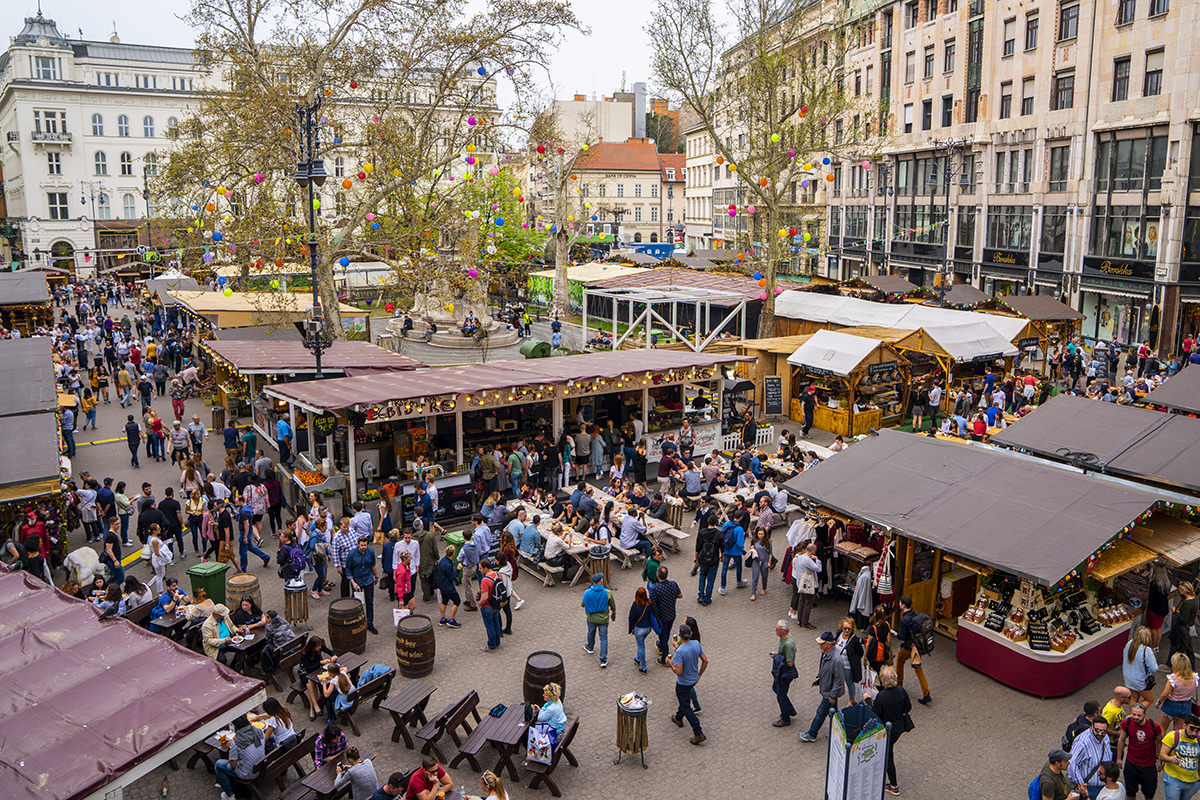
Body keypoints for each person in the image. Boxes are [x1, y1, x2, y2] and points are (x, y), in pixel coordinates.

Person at [871, 665, 912, 796]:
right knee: (887, 752)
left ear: (883, 681)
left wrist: (867, 699)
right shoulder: (901, 691)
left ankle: (893, 786)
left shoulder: (881, 697)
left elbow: (875, 714)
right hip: (898, 727)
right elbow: (908, 707)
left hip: (887, 730)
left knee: (888, 756)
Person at [799, 631, 847, 742]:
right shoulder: (825, 653)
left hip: (829, 693)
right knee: (834, 713)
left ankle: (812, 733)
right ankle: (839, 732)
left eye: (821, 643)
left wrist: (832, 695)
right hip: (827, 689)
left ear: (829, 644)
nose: (819, 645)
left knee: (821, 713)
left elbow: (839, 681)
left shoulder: (836, 660)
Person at [666, 623, 707, 745]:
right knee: (684, 701)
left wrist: (670, 663)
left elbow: (678, 671)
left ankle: (698, 732)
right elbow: (705, 660)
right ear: (691, 634)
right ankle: (678, 718)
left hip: (683, 683)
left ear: (679, 635)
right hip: (693, 679)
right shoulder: (696, 644)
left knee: (685, 706)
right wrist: (699, 675)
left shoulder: (680, 652)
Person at [215, 714, 266, 800]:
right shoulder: (259, 731)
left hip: (247, 774)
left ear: (235, 726)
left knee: (218, 764)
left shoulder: (236, 743)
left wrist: (231, 747)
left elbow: (233, 765)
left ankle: (230, 795)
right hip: (261, 767)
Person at [1117, 702, 1162, 800]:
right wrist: (1119, 758)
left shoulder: (1154, 726)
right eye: (1134, 714)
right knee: (1130, 792)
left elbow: (1159, 742)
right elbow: (1121, 739)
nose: (1136, 717)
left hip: (1149, 766)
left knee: (1149, 794)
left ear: (1145, 715)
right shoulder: (1127, 722)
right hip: (1131, 764)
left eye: (1139, 715)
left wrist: (1159, 760)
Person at [895, 594, 932, 705]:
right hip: (918, 647)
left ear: (904, 605)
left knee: (900, 662)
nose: (899, 604)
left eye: (900, 603)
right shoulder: (916, 614)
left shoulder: (903, 620)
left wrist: (894, 633)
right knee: (918, 669)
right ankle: (926, 693)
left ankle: (899, 685)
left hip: (908, 647)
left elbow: (902, 636)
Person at [1069, 715, 1114, 799]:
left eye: (1103, 731)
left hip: (1105, 785)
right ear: (1092, 726)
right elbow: (1072, 763)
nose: (1100, 733)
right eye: (1097, 730)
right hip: (1090, 788)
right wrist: (1081, 784)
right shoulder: (1083, 743)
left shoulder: (1106, 737)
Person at [345, 536, 379, 635]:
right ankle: (355, 623)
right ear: (358, 545)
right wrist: (353, 582)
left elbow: (373, 565)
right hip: (357, 581)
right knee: (356, 603)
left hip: (368, 579)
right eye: (362, 545)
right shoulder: (352, 554)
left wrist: (376, 577)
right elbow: (348, 569)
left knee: (369, 602)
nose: (363, 547)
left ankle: (370, 623)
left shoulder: (371, 552)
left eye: (365, 545)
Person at [1160, 715, 1200, 800]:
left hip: (1192, 782)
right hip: (1173, 779)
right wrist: (1171, 759)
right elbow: (1162, 755)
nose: (1194, 733)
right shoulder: (1172, 736)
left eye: (1197, 730)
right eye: (1192, 729)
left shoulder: (1198, 740)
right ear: (1184, 725)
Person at [582, 572, 616, 668]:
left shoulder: (587, 593)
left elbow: (583, 604)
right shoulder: (607, 593)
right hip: (603, 620)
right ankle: (603, 659)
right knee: (603, 638)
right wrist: (614, 613)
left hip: (591, 618)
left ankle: (590, 648)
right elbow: (613, 605)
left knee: (591, 632)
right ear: (601, 581)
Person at [1158, 653, 1199, 733]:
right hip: (1186, 706)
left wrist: (1159, 701)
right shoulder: (1194, 677)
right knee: (1178, 732)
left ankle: (1161, 745)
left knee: (1162, 729)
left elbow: (1165, 694)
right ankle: (1175, 745)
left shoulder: (1173, 678)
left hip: (1171, 705)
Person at [771, 619, 799, 727]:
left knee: (781, 696)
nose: (775, 630)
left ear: (783, 631)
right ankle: (790, 709)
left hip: (785, 673)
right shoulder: (783, 638)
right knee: (775, 688)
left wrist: (776, 657)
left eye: (777, 629)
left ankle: (785, 718)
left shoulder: (788, 644)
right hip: (780, 671)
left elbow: (790, 663)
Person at [835, 616, 866, 703]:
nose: (847, 631)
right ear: (842, 627)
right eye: (845, 628)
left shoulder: (854, 640)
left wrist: (853, 659)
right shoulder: (838, 634)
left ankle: (851, 699)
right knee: (836, 681)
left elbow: (860, 652)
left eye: (849, 629)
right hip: (838, 665)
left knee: (849, 683)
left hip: (847, 666)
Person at [792, 542, 821, 629]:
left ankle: (799, 620)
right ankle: (805, 623)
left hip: (800, 583)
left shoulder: (799, 557)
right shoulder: (807, 560)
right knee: (808, 603)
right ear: (812, 551)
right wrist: (818, 560)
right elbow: (818, 569)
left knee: (801, 601)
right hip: (808, 584)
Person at [1170, 582, 1198, 669]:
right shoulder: (1195, 600)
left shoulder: (1187, 603)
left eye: (1180, 590)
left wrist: (1175, 612)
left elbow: (1184, 619)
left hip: (1183, 629)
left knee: (1179, 648)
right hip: (1189, 627)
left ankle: (1174, 667)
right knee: (1186, 649)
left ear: (1184, 590)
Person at [479, 559, 504, 652]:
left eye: (480, 568)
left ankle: (492, 645)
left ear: (485, 568)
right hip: (496, 604)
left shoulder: (485, 580)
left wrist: (480, 604)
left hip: (487, 606)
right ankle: (498, 642)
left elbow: (484, 597)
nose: (479, 570)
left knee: (490, 626)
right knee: (496, 623)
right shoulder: (498, 574)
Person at [436, 545, 462, 628]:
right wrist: (458, 569)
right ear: (453, 553)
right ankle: (451, 620)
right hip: (448, 587)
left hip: (441, 585)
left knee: (444, 601)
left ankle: (442, 619)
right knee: (457, 601)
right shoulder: (449, 565)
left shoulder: (443, 560)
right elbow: (452, 577)